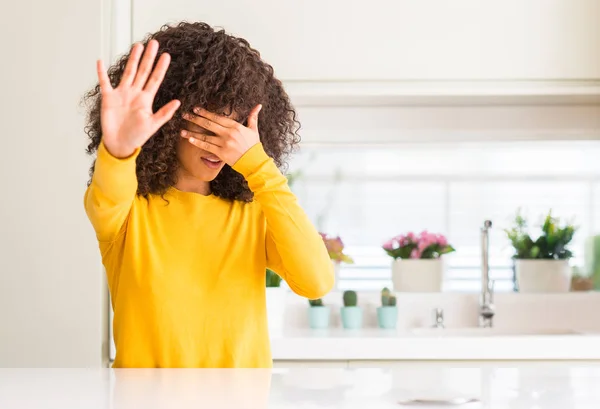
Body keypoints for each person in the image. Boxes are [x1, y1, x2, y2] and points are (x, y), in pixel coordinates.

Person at [83, 22, 334, 368]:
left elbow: (316, 281)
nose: (219, 142)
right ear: (169, 121)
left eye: (232, 128)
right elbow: (108, 192)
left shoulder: (253, 213)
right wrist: (120, 150)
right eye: (206, 123)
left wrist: (259, 167)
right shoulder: (128, 212)